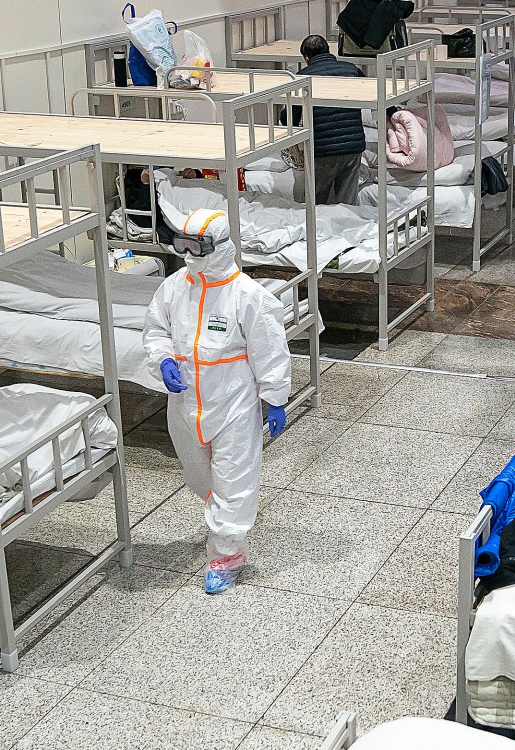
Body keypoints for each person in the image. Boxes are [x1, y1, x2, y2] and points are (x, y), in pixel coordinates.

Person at [144, 209, 292, 594]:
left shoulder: (248, 296)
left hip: (233, 406)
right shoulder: (176, 286)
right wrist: (162, 358)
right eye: (183, 245)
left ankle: (227, 556)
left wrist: (274, 398)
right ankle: (223, 521)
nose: (189, 255)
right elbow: (155, 328)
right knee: (199, 479)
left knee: (234, 483)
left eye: (197, 247)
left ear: (220, 246)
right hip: (184, 405)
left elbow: (271, 350)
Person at [289, 35, 367, 204]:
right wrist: (393, 112)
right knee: (348, 203)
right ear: (328, 50)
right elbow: (376, 92)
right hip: (353, 146)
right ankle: (349, 229)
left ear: (306, 57)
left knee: (317, 204)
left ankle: (318, 230)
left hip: (324, 150)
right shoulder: (352, 70)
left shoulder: (302, 77)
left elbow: (290, 117)